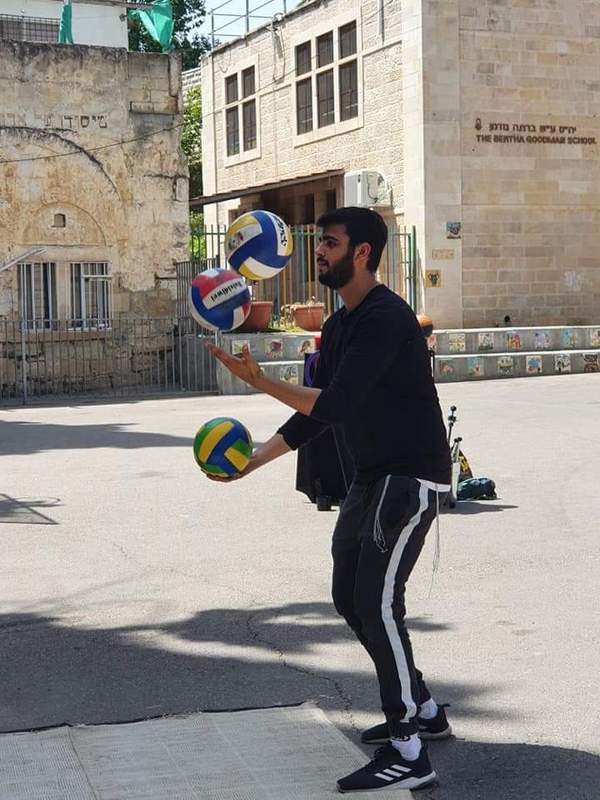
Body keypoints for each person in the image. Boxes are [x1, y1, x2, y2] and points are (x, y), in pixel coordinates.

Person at [207, 207, 452, 793]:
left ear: (362, 253)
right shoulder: (341, 325)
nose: (318, 251)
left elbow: (336, 403)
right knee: (349, 597)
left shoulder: (385, 318)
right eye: (319, 242)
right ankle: (421, 707)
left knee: (378, 602)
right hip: (370, 477)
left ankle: (408, 750)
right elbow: (315, 414)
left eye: (331, 243)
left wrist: (259, 381)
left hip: (409, 478)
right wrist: (254, 461)